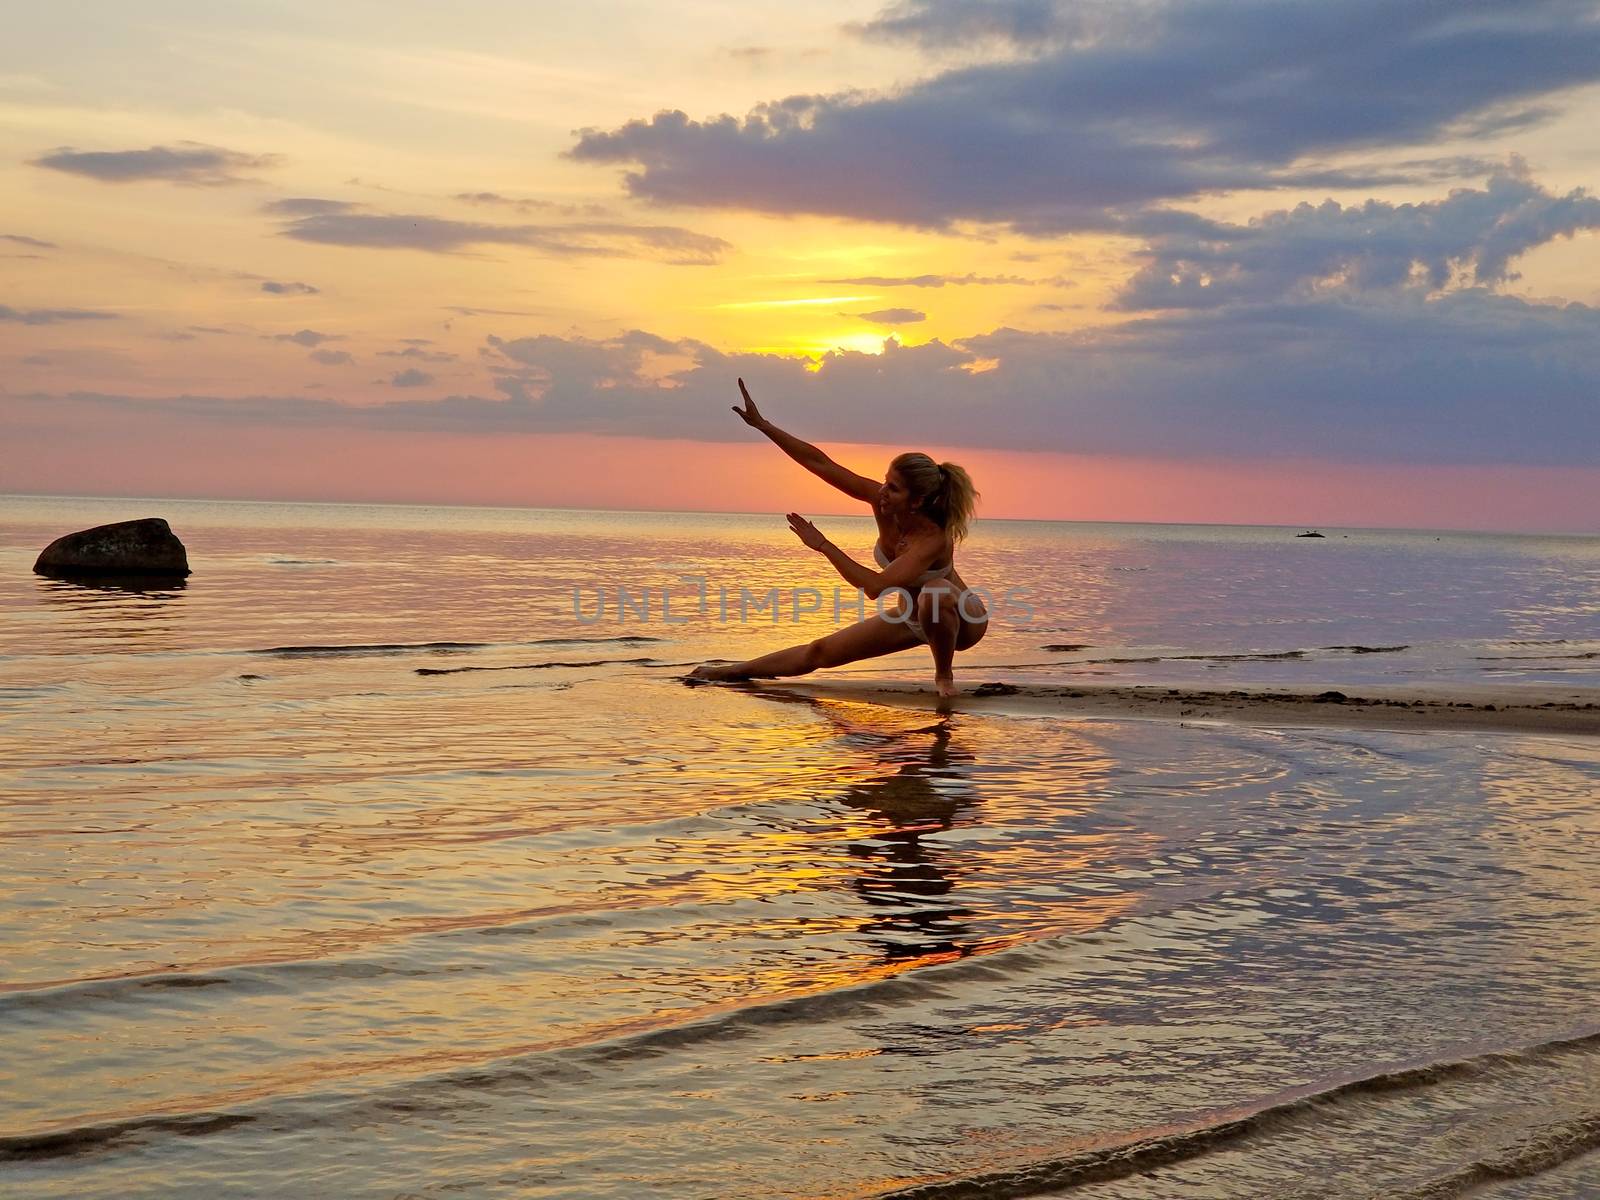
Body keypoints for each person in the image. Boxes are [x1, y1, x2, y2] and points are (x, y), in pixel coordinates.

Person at [688, 379, 986, 698]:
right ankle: (734, 671)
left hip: (962, 621)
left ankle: (944, 677)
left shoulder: (933, 539)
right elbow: (821, 464)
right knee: (819, 652)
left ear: (916, 501)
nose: (882, 491)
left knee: (935, 592)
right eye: (886, 482)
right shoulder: (882, 501)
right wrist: (764, 426)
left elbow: (874, 587)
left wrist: (824, 546)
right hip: (911, 618)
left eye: (894, 488)